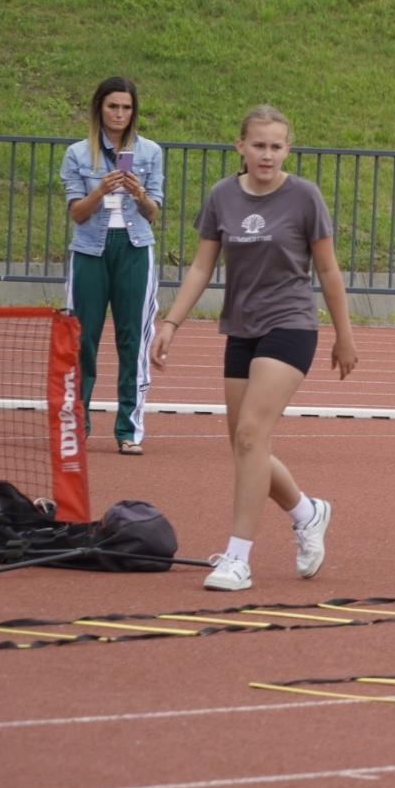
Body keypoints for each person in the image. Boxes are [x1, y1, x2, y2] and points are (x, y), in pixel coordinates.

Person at [150, 106, 355, 591]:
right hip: (240, 328)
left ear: (288, 148)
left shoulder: (304, 197)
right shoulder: (222, 196)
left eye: (276, 146)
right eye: (258, 145)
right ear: (240, 146)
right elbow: (202, 267)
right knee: (246, 447)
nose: (267, 154)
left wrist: (344, 335)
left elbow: (327, 271)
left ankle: (239, 558)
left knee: (250, 436)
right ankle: (308, 512)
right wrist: (172, 322)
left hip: (290, 325)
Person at [59, 76, 164, 455]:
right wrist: (100, 190)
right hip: (90, 249)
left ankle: (128, 429)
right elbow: (77, 214)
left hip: (135, 248)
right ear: (99, 109)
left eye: (126, 107)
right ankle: (77, 424)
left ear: (134, 112)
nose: (119, 114)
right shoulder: (77, 154)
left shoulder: (150, 152)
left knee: (132, 338)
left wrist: (138, 194)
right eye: (112, 106)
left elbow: (153, 213)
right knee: (81, 339)